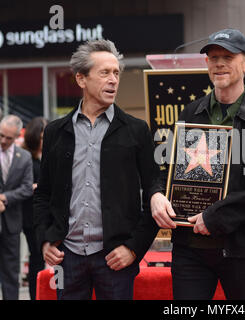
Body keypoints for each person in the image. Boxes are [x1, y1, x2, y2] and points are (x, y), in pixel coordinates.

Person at [151, 28, 245, 300]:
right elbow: (165, 166)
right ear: (206, 64)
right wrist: (156, 193)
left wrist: (216, 217)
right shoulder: (191, 113)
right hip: (190, 248)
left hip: (242, 250)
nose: (220, 63)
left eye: (228, 56)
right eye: (213, 57)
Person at [33, 39, 161, 300]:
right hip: (66, 257)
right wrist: (45, 240)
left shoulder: (136, 131)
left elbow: (153, 192)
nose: (113, 80)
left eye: (116, 73)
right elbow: (43, 194)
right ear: (81, 79)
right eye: (104, 73)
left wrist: (134, 248)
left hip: (115, 258)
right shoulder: (56, 132)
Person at [0, 115, 34, 300]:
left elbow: (27, 188)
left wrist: (5, 198)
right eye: (1, 135)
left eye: (9, 138)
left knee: (11, 271)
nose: (4, 140)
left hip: (12, 223)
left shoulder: (24, 157)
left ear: (16, 137)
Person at [21, 117, 48, 300]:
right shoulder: (26, 159)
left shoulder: (49, 156)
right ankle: (35, 295)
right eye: (42, 137)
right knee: (37, 257)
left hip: (49, 215)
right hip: (31, 216)